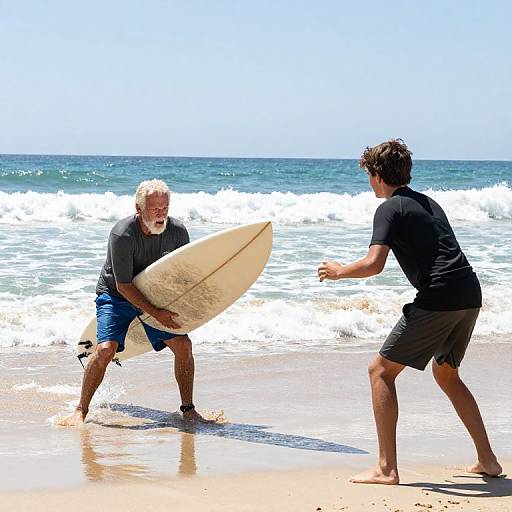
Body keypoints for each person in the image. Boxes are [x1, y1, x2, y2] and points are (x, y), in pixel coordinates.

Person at [317, 140, 502, 485]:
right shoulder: (427, 202)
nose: (369, 182)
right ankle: (488, 460)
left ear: (377, 175)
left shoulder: (390, 208)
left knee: (380, 372)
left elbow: (374, 264)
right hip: (469, 293)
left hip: (441, 297)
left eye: (369, 175)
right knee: (447, 374)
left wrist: (339, 271)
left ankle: (387, 469)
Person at [61, 179, 205, 426]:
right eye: (154, 209)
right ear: (139, 208)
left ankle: (188, 409)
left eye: (165, 208)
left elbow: (181, 274)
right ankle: (81, 409)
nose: (161, 215)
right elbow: (123, 285)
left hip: (153, 295)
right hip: (116, 295)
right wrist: (157, 314)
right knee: (106, 349)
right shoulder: (122, 234)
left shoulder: (177, 232)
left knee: (184, 345)